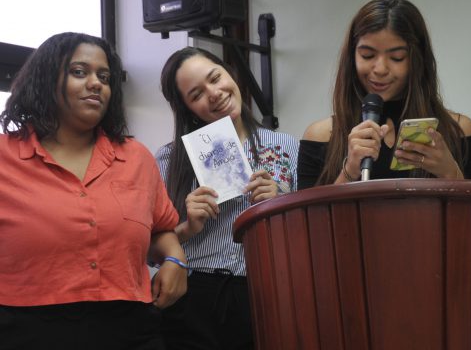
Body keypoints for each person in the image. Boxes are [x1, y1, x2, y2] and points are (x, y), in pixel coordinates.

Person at [0, 32, 187, 350]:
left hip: (130, 328)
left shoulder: (136, 157)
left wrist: (176, 259)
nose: (96, 84)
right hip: (25, 329)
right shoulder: (4, 156)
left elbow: (161, 228)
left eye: (104, 77)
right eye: (79, 72)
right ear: (46, 80)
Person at [155, 46, 299, 350]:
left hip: (265, 291)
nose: (214, 93)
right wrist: (187, 228)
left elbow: (307, 234)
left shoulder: (286, 146)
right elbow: (145, 251)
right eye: (196, 94)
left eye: (215, 78)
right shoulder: (170, 160)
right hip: (193, 294)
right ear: (186, 108)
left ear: (230, 74)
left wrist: (280, 203)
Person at [298, 0, 471, 189]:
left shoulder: (459, 130)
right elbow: (309, 210)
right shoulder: (320, 135)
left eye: (397, 58)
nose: (380, 69)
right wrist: (350, 170)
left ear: (417, 60)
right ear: (352, 57)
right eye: (367, 55)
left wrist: (450, 172)